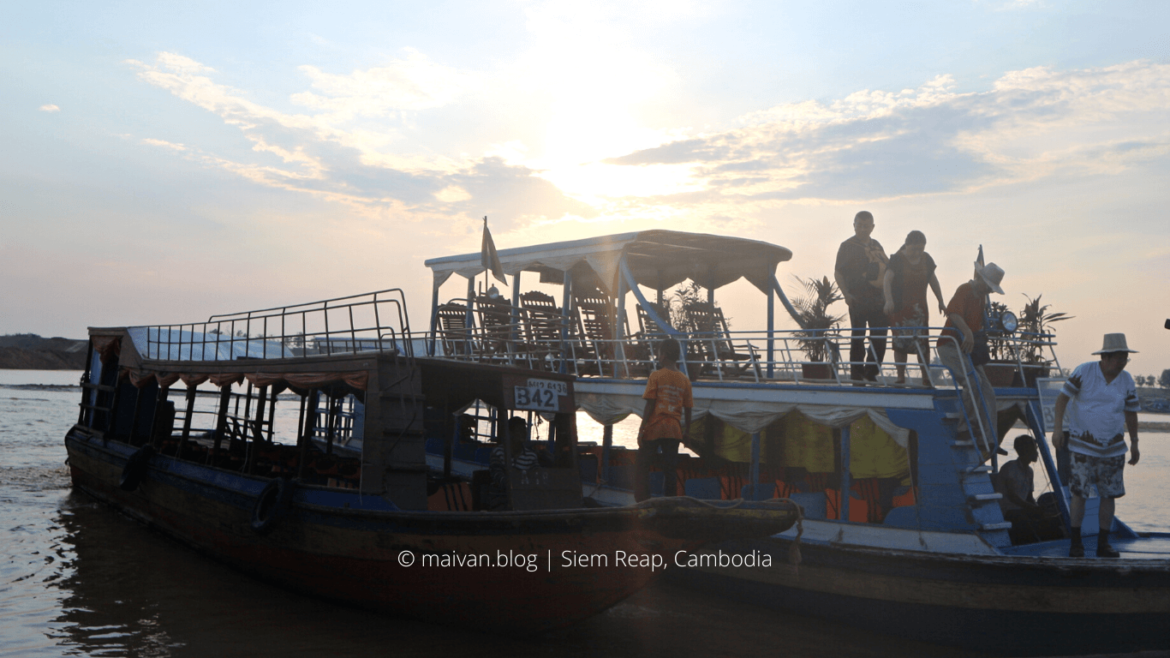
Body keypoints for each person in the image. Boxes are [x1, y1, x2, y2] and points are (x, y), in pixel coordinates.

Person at [1051, 333, 1141, 558]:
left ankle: (1103, 544)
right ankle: (1076, 543)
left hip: (1113, 449)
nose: (1123, 363)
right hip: (1082, 447)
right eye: (1120, 358)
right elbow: (1062, 400)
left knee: (1109, 495)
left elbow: (1131, 413)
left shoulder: (1127, 380)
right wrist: (1057, 429)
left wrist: (1135, 442)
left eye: (1125, 359)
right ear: (1106, 357)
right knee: (1079, 494)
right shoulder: (1084, 372)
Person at [936, 261, 1005, 449]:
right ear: (981, 280)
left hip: (967, 349)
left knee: (988, 390)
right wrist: (967, 332)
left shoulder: (981, 297)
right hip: (949, 346)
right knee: (972, 382)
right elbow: (954, 314)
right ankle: (965, 426)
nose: (990, 291)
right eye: (989, 287)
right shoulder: (965, 289)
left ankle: (989, 438)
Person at [882, 230, 947, 385]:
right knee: (900, 343)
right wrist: (888, 300)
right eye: (914, 249)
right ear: (907, 244)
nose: (917, 252)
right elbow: (887, 280)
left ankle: (926, 378)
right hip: (899, 309)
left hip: (920, 310)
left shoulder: (926, 260)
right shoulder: (897, 259)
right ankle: (900, 378)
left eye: (920, 249)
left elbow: (933, 280)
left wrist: (941, 301)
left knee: (923, 344)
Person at [634, 338, 693, 502]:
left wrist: (641, 429)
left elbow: (650, 405)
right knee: (670, 470)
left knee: (642, 465)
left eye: (659, 353)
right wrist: (686, 432)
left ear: (664, 355)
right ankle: (670, 503)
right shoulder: (684, 380)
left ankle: (642, 500)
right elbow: (688, 409)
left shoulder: (656, 376)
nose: (657, 355)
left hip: (655, 427)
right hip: (674, 429)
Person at [835, 211, 889, 382]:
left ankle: (871, 372)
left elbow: (887, 269)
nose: (863, 229)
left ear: (872, 227)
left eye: (866, 226)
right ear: (854, 225)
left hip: (878, 298)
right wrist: (846, 294)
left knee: (879, 336)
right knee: (858, 336)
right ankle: (857, 375)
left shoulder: (877, 245)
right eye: (860, 225)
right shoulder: (847, 246)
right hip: (857, 298)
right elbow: (838, 272)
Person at [995, 435, 1061, 544]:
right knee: (1022, 520)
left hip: (1022, 508)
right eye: (1035, 449)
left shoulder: (1029, 471)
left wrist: (1038, 508)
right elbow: (1013, 497)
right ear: (1025, 450)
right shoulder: (1010, 468)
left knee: (1052, 520)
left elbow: (1029, 497)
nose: (1037, 452)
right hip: (1008, 511)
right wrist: (1032, 508)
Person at [487, 416, 540, 510]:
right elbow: (498, 476)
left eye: (525, 430)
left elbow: (536, 476)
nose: (524, 433)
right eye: (520, 430)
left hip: (524, 499)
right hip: (501, 498)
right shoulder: (498, 453)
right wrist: (515, 485)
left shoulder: (531, 456)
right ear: (510, 433)